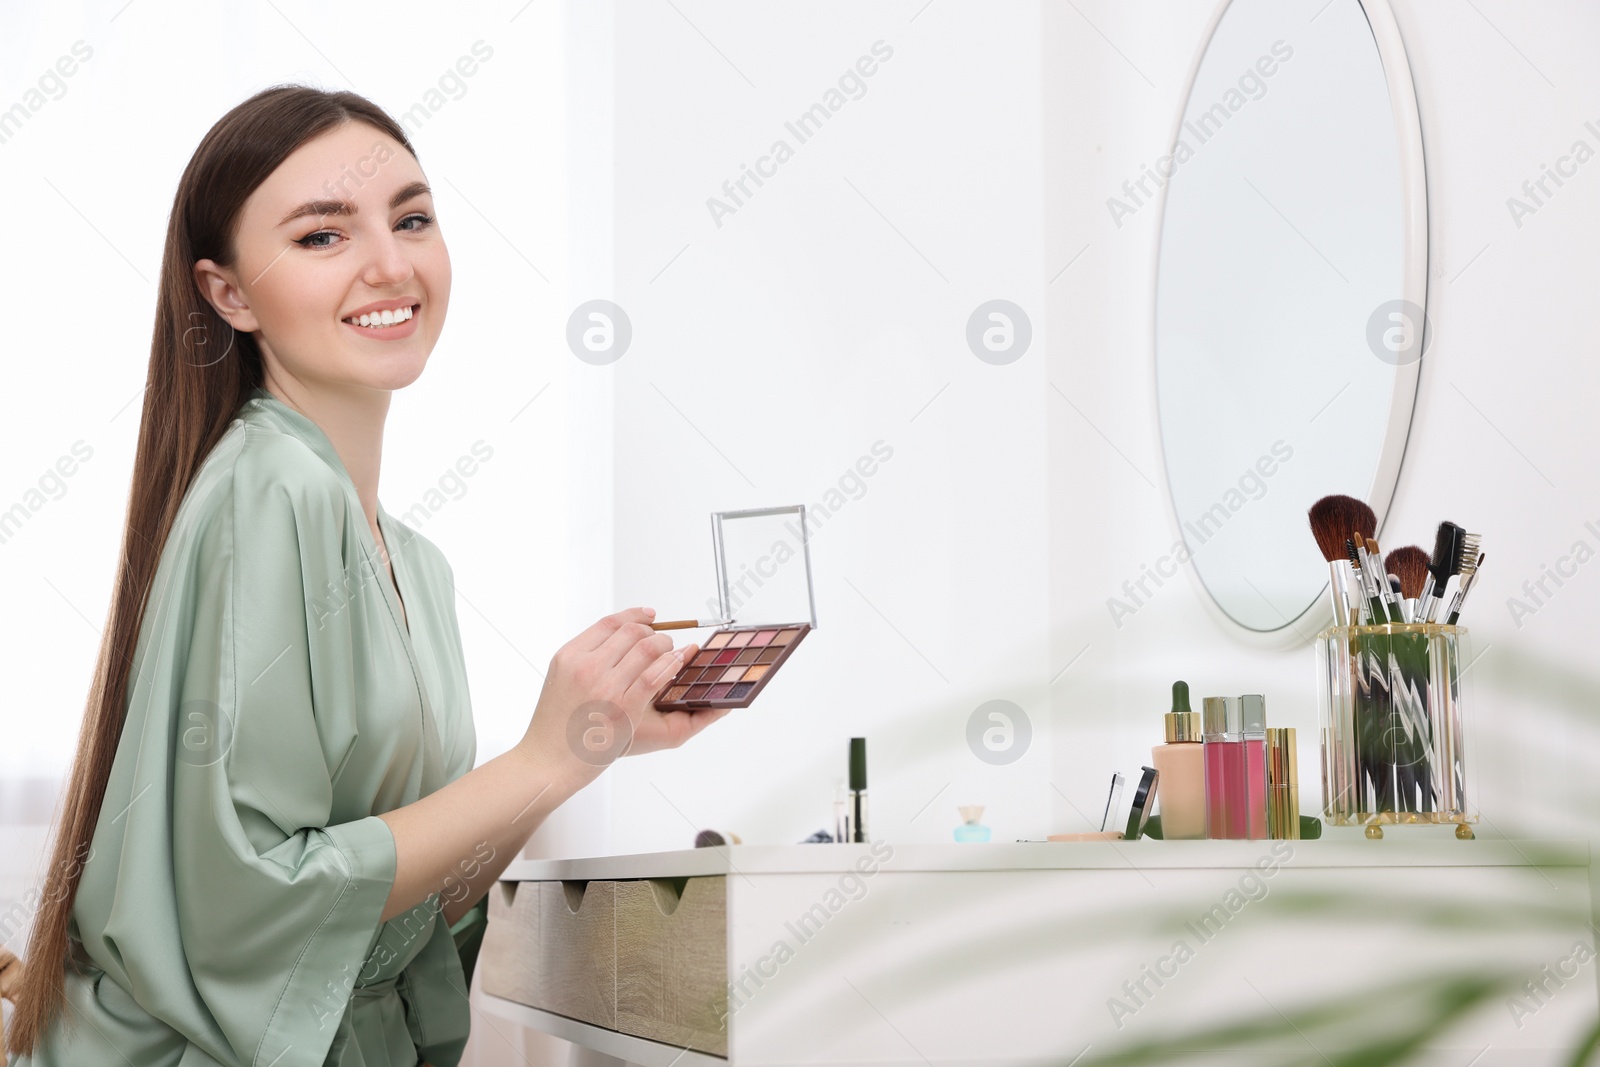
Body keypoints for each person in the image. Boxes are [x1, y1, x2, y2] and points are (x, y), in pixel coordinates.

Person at [3, 84, 730, 1066]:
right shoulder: (268, 489)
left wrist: (579, 746)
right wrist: (540, 760)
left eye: (413, 218)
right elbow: (252, 901)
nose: (391, 263)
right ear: (228, 294)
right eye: (320, 236)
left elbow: (382, 910)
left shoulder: (414, 561)